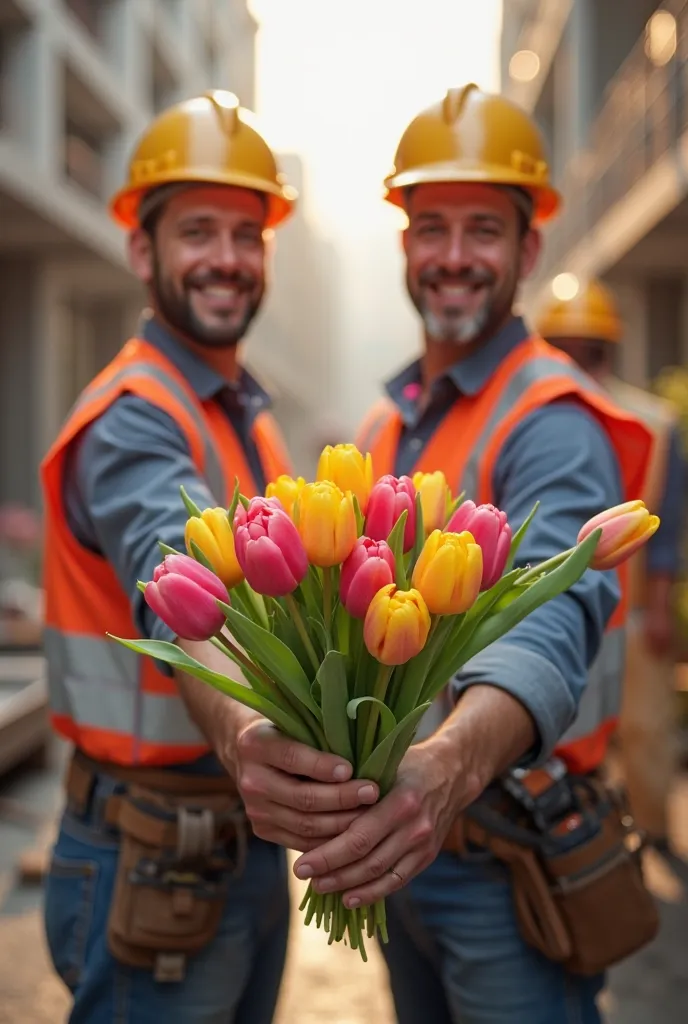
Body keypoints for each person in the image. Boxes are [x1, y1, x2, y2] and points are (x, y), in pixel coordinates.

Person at [272, 84, 653, 1024]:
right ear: (402, 244)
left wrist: (446, 767)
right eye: (430, 226)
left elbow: (553, 616)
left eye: (482, 229)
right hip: (412, 858)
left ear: (528, 250)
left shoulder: (552, 419)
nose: (452, 256)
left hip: (506, 866)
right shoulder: (383, 427)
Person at [39, 89, 379, 1024]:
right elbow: (172, 588)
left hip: (234, 844)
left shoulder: (247, 422)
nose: (227, 259)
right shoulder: (135, 418)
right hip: (147, 850)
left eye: (247, 233)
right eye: (198, 232)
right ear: (142, 249)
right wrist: (246, 736)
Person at [537, 276, 686, 856]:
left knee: (646, 727)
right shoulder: (539, 415)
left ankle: (653, 833)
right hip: (554, 607)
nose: (576, 362)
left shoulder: (650, 420)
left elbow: (666, 525)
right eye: (564, 349)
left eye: (587, 350)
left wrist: (658, 602)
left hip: (633, 604)